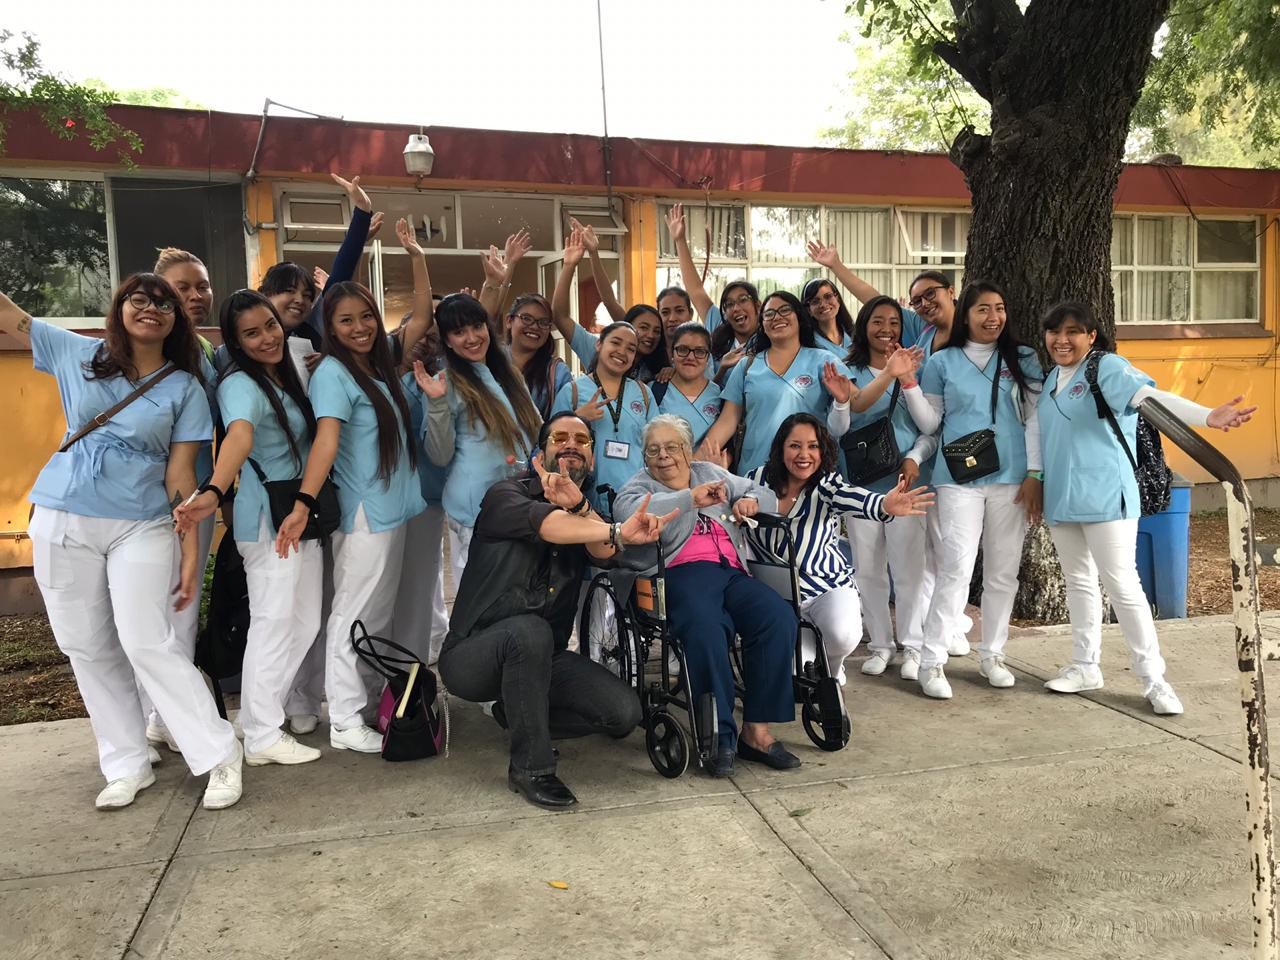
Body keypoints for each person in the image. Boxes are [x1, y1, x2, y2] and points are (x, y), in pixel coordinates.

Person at [0, 277, 242, 810]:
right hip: (63, 517)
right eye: (140, 299)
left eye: (164, 304)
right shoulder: (74, 352)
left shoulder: (184, 386)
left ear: (176, 320)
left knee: (147, 641)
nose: (151, 309)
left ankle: (220, 754)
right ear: (120, 306)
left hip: (141, 522)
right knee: (87, 645)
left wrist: (188, 556)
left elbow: (180, 474)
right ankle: (126, 762)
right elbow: (9, 313)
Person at [439, 412, 676, 808]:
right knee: (529, 631)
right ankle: (532, 767)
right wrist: (615, 531)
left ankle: (516, 713)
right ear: (541, 450)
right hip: (473, 657)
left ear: (593, 458)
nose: (571, 444)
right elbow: (551, 526)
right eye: (559, 437)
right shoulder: (506, 495)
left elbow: (603, 550)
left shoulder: (587, 509)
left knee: (623, 714)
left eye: (582, 441)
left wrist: (586, 509)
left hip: (543, 659)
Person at [1038, 302, 1255, 715]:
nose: (1061, 340)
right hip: (1063, 497)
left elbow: (1152, 400)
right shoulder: (1052, 379)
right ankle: (1085, 665)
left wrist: (1209, 416)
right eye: (1053, 332)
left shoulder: (1108, 369)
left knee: (1122, 586)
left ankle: (1154, 680)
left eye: (1072, 332)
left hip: (1107, 496)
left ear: (1091, 336)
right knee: (1079, 582)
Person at [174, 290, 324, 766]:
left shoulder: (283, 373)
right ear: (235, 343)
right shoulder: (240, 384)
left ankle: (259, 718)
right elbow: (239, 435)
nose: (266, 338)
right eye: (251, 333)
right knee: (275, 623)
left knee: (302, 621)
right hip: (269, 523)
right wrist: (215, 490)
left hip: (299, 516)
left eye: (270, 326)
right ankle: (261, 734)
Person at [276, 281, 426, 753]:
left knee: (376, 617)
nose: (359, 327)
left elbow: (421, 315)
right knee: (351, 615)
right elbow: (326, 441)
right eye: (346, 320)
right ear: (330, 329)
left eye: (366, 316)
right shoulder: (333, 374)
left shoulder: (377, 368)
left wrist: (416, 257)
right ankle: (341, 717)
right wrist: (303, 502)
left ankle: (358, 707)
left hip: (392, 512)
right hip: (365, 516)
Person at [615, 415, 802, 778]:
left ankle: (756, 733)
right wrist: (689, 499)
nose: (663, 456)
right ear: (644, 456)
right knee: (706, 627)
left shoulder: (708, 472)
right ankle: (719, 737)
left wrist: (748, 501)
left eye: (672, 447)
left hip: (729, 571)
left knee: (776, 616)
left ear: (688, 450)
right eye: (654, 450)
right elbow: (629, 515)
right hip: (677, 574)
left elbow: (763, 493)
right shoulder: (638, 487)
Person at [905, 281, 1044, 700]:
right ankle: (932, 662)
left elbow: (1035, 420)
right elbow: (931, 424)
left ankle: (993, 655)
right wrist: (910, 384)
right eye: (983, 309)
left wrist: (1035, 474)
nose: (993, 317)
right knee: (956, 568)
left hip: (1012, 478)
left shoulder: (1023, 358)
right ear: (965, 314)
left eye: (999, 308)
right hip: (957, 479)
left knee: (1003, 572)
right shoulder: (942, 361)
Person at [747, 414, 934, 685]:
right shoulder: (756, 479)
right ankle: (809, 660)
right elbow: (735, 499)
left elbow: (851, 496)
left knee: (843, 635)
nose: (804, 455)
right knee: (796, 672)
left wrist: (884, 505)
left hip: (827, 587)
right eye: (795, 446)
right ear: (780, 448)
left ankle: (833, 669)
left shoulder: (827, 483)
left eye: (813, 446)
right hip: (780, 596)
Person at [830, 296, 937, 679]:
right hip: (859, 486)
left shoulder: (917, 369)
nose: (886, 329)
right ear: (863, 326)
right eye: (877, 321)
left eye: (894, 321)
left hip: (905, 484)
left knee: (909, 569)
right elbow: (838, 428)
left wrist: (916, 458)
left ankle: (913, 646)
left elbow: (930, 428)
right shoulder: (847, 370)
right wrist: (847, 399)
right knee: (868, 569)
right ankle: (880, 644)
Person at [142, 247, 219, 754]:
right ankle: (154, 717)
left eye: (201, 286)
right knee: (143, 614)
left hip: (196, 496)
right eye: (181, 288)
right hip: (140, 503)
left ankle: (162, 718)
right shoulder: (138, 353)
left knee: (182, 611)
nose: (194, 296)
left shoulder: (209, 355)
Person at [419, 293, 543, 590]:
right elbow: (439, 455)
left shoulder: (509, 374)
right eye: (459, 332)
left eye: (477, 326)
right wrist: (436, 405)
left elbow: (535, 430)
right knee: (478, 599)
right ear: (447, 341)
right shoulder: (444, 383)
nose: (472, 338)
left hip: (518, 498)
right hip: (475, 509)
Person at [695, 291, 866, 475]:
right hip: (756, 474)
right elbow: (727, 422)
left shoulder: (823, 361)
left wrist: (888, 373)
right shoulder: (747, 366)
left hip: (808, 474)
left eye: (785, 310)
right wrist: (694, 462)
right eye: (769, 314)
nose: (777, 317)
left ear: (800, 317)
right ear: (762, 325)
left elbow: (857, 401)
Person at [552, 320, 655, 512]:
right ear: (599, 344)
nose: (622, 352)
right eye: (615, 343)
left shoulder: (643, 394)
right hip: (584, 498)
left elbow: (656, 443)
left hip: (637, 498)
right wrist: (578, 418)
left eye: (631, 348)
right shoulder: (573, 391)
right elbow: (551, 442)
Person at [394, 333, 452, 666]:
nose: (422, 338)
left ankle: (410, 670)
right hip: (380, 498)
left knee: (420, 585)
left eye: (433, 331)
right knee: (387, 587)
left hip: (426, 497)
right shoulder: (382, 377)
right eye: (414, 327)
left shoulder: (440, 380)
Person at [551, 225, 670, 383]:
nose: (651, 335)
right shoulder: (600, 350)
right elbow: (560, 316)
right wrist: (570, 265)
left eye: (657, 331)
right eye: (643, 327)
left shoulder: (658, 368)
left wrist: (672, 372)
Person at [664, 203, 759, 381]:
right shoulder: (719, 326)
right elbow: (695, 290)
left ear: (758, 306)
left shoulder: (771, 335)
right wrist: (679, 240)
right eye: (729, 304)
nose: (736, 308)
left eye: (743, 300)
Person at [500, 292, 571, 420]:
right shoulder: (492, 359)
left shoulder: (557, 373)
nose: (534, 327)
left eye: (543, 322)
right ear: (509, 321)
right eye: (526, 318)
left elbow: (560, 423)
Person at [656, 322, 721, 446]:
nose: (691, 357)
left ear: (708, 357)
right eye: (683, 350)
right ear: (672, 353)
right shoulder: (654, 391)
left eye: (700, 351)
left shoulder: (720, 396)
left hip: (706, 465)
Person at [801, 277, 856, 358]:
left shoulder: (856, 336)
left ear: (838, 299)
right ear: (809, 310)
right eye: (815, 301)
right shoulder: (807, 344)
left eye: (828, 296)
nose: (823, 304)